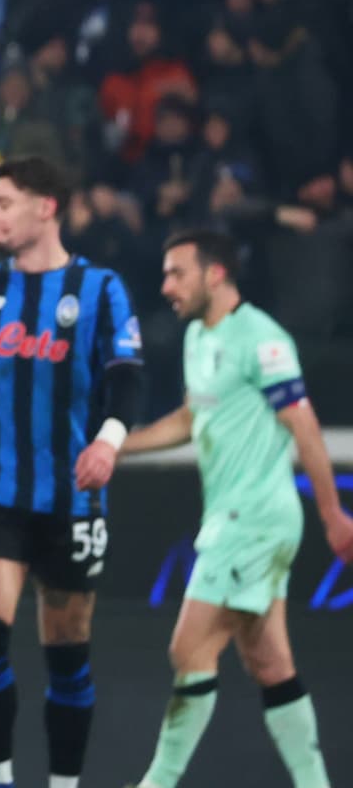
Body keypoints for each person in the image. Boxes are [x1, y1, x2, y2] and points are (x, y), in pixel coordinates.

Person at [0, 156, 145, 788]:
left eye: (3, 202)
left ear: (46, 208)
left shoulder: (99, 288)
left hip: (72, 498)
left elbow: (127, 377)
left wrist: (109, 442)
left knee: (67, 654)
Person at [120, 229, 353, 788]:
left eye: (177, 273)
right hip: (231, 519)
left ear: (216, 273)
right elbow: (191, 417)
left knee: (189, 647)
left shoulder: (261, 339)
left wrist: (333, 515)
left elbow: (303, 425)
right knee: (271, 664)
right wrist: (116, 445)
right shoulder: (197, 337)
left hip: (255, 520)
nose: (166, 286)